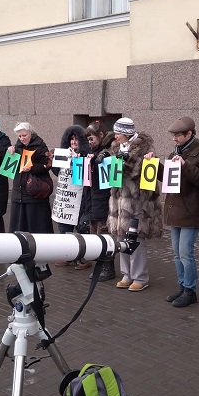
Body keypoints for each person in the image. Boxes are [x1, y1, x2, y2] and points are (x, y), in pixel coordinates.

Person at [144, 116, 199, 307]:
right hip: (175, 211)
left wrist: (186, 165)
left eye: (177, 135)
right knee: (176, 253)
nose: (174, 139)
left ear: (189, 134)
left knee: (185, 253)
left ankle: (190, 291)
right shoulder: (172, 154)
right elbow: (166, 177)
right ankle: (182, 286)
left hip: (190, 212)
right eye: (173, 135)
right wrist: (154, 163)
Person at [107, 117, 163, 292]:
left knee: (135, 239)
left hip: (138, 202)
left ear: (127, 133)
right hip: (119, 201)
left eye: (118, 133)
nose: (115, 136)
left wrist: (126, 162)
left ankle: (140, 276)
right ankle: (126, 274)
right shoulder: (116, 148)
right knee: (121, 237)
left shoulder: (144, 150)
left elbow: (139, 173)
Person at [51, 124, 91, 269]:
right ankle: (67, 254)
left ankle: (83, 257)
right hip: (65, 196)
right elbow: (57, 172)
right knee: (64, 226)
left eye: (76, 139)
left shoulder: (87, 154)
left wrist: (80, 160)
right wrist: (56, 159)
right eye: (71, 139)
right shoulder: (64, 152)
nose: (73, 142)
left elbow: (86, 176)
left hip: (80, 196)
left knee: (81, 227)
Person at [83, 120, 116, 282]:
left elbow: (111, 178)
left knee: (104, 236)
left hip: (103, 200)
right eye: (88, 140)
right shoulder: (94, 152)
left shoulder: (108, 152)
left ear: (101, 136)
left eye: (92, 139)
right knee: (96, 236)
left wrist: (99, 159)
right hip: (93, 199)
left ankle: (108, 267)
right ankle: (101, 266)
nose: (90, 143)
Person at [7, 122, 54, 233]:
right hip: (19, 194)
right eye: (19, 136)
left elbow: (47, 164)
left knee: (37, 229)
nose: (22, 138)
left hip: (35, 194)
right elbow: (10, 168)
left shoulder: (40, 145)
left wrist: (31, 167)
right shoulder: (17, 146)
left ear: (31, 133)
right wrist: (10, 152)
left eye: (24, 135)